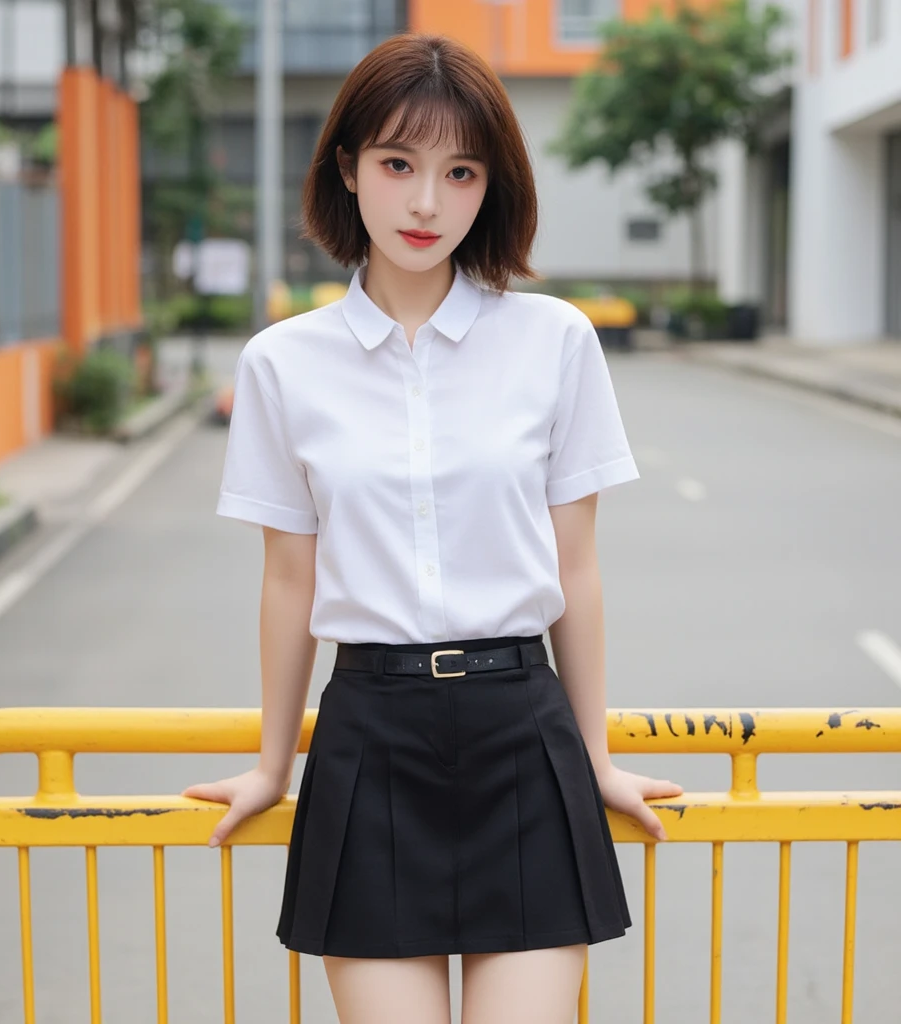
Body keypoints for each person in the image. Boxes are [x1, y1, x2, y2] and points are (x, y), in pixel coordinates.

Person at [183, 32, 683, 1024]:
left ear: (489, 186)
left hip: (521, 732)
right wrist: (274, 762)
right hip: (371, 736)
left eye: (459, 172)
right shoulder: (284, 363)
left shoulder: (553, 342)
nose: (424, 203)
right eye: (397, 165)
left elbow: (572, 570)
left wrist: (594, 757)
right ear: (347, 169)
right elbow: (288, 580)